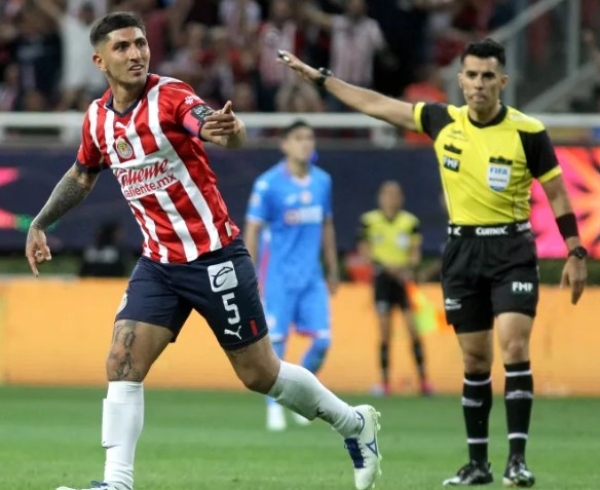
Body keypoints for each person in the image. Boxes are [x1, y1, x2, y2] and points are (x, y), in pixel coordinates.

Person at [24, 12, 382, 490]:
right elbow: (83, 174)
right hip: (159, 263)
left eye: (140, 43)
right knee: (122, 361)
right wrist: (41, 222)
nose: (135, 54)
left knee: (260, 375)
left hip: (215, 256)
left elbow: (216, 128)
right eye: (122, 47)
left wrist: (226, 130)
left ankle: (354, 424)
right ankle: (117, 483)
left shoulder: (170, 96)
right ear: (99, 61)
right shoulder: (97, 120)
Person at [278, 38, 587, 487]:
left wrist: (575, 249)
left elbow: (557, 193)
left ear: (502, 81)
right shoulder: (441, 120)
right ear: (460, 79)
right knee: (475, 360)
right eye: (471, 75)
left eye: (487, 76)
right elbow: (378, 105)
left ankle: (516, 460)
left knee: (514, 345)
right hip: (462, 251)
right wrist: (324, 80)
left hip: (512, 249)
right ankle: (477, 464)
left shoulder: (528, 131)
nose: (479, 84)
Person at [244, 120, 338, 431]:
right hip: (278, 277)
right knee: (277, 346)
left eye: (310, 138)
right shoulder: (268, 185)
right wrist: (249, 274)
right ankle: (274, 406)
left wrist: (333, 268)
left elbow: (326, 225)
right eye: (299, 138)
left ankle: (299, 395)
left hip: (312, 278)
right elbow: (253, 230)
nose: (306, 144)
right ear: (285, 144)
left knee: (323, 342)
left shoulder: (323, 181)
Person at [357, 180, 432, 397]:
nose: (391, 199)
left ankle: (424, 381)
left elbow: (415, 253)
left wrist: (408, 267)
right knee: (384, 333)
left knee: (414, 331)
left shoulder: (410, 222)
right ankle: (384, 382)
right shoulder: (369, 221)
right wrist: (386, 267)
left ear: (402, 199)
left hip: (403, 282)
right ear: (380, 198)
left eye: (395, 195)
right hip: (383, 281)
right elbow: (364, 252)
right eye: (387, 195)